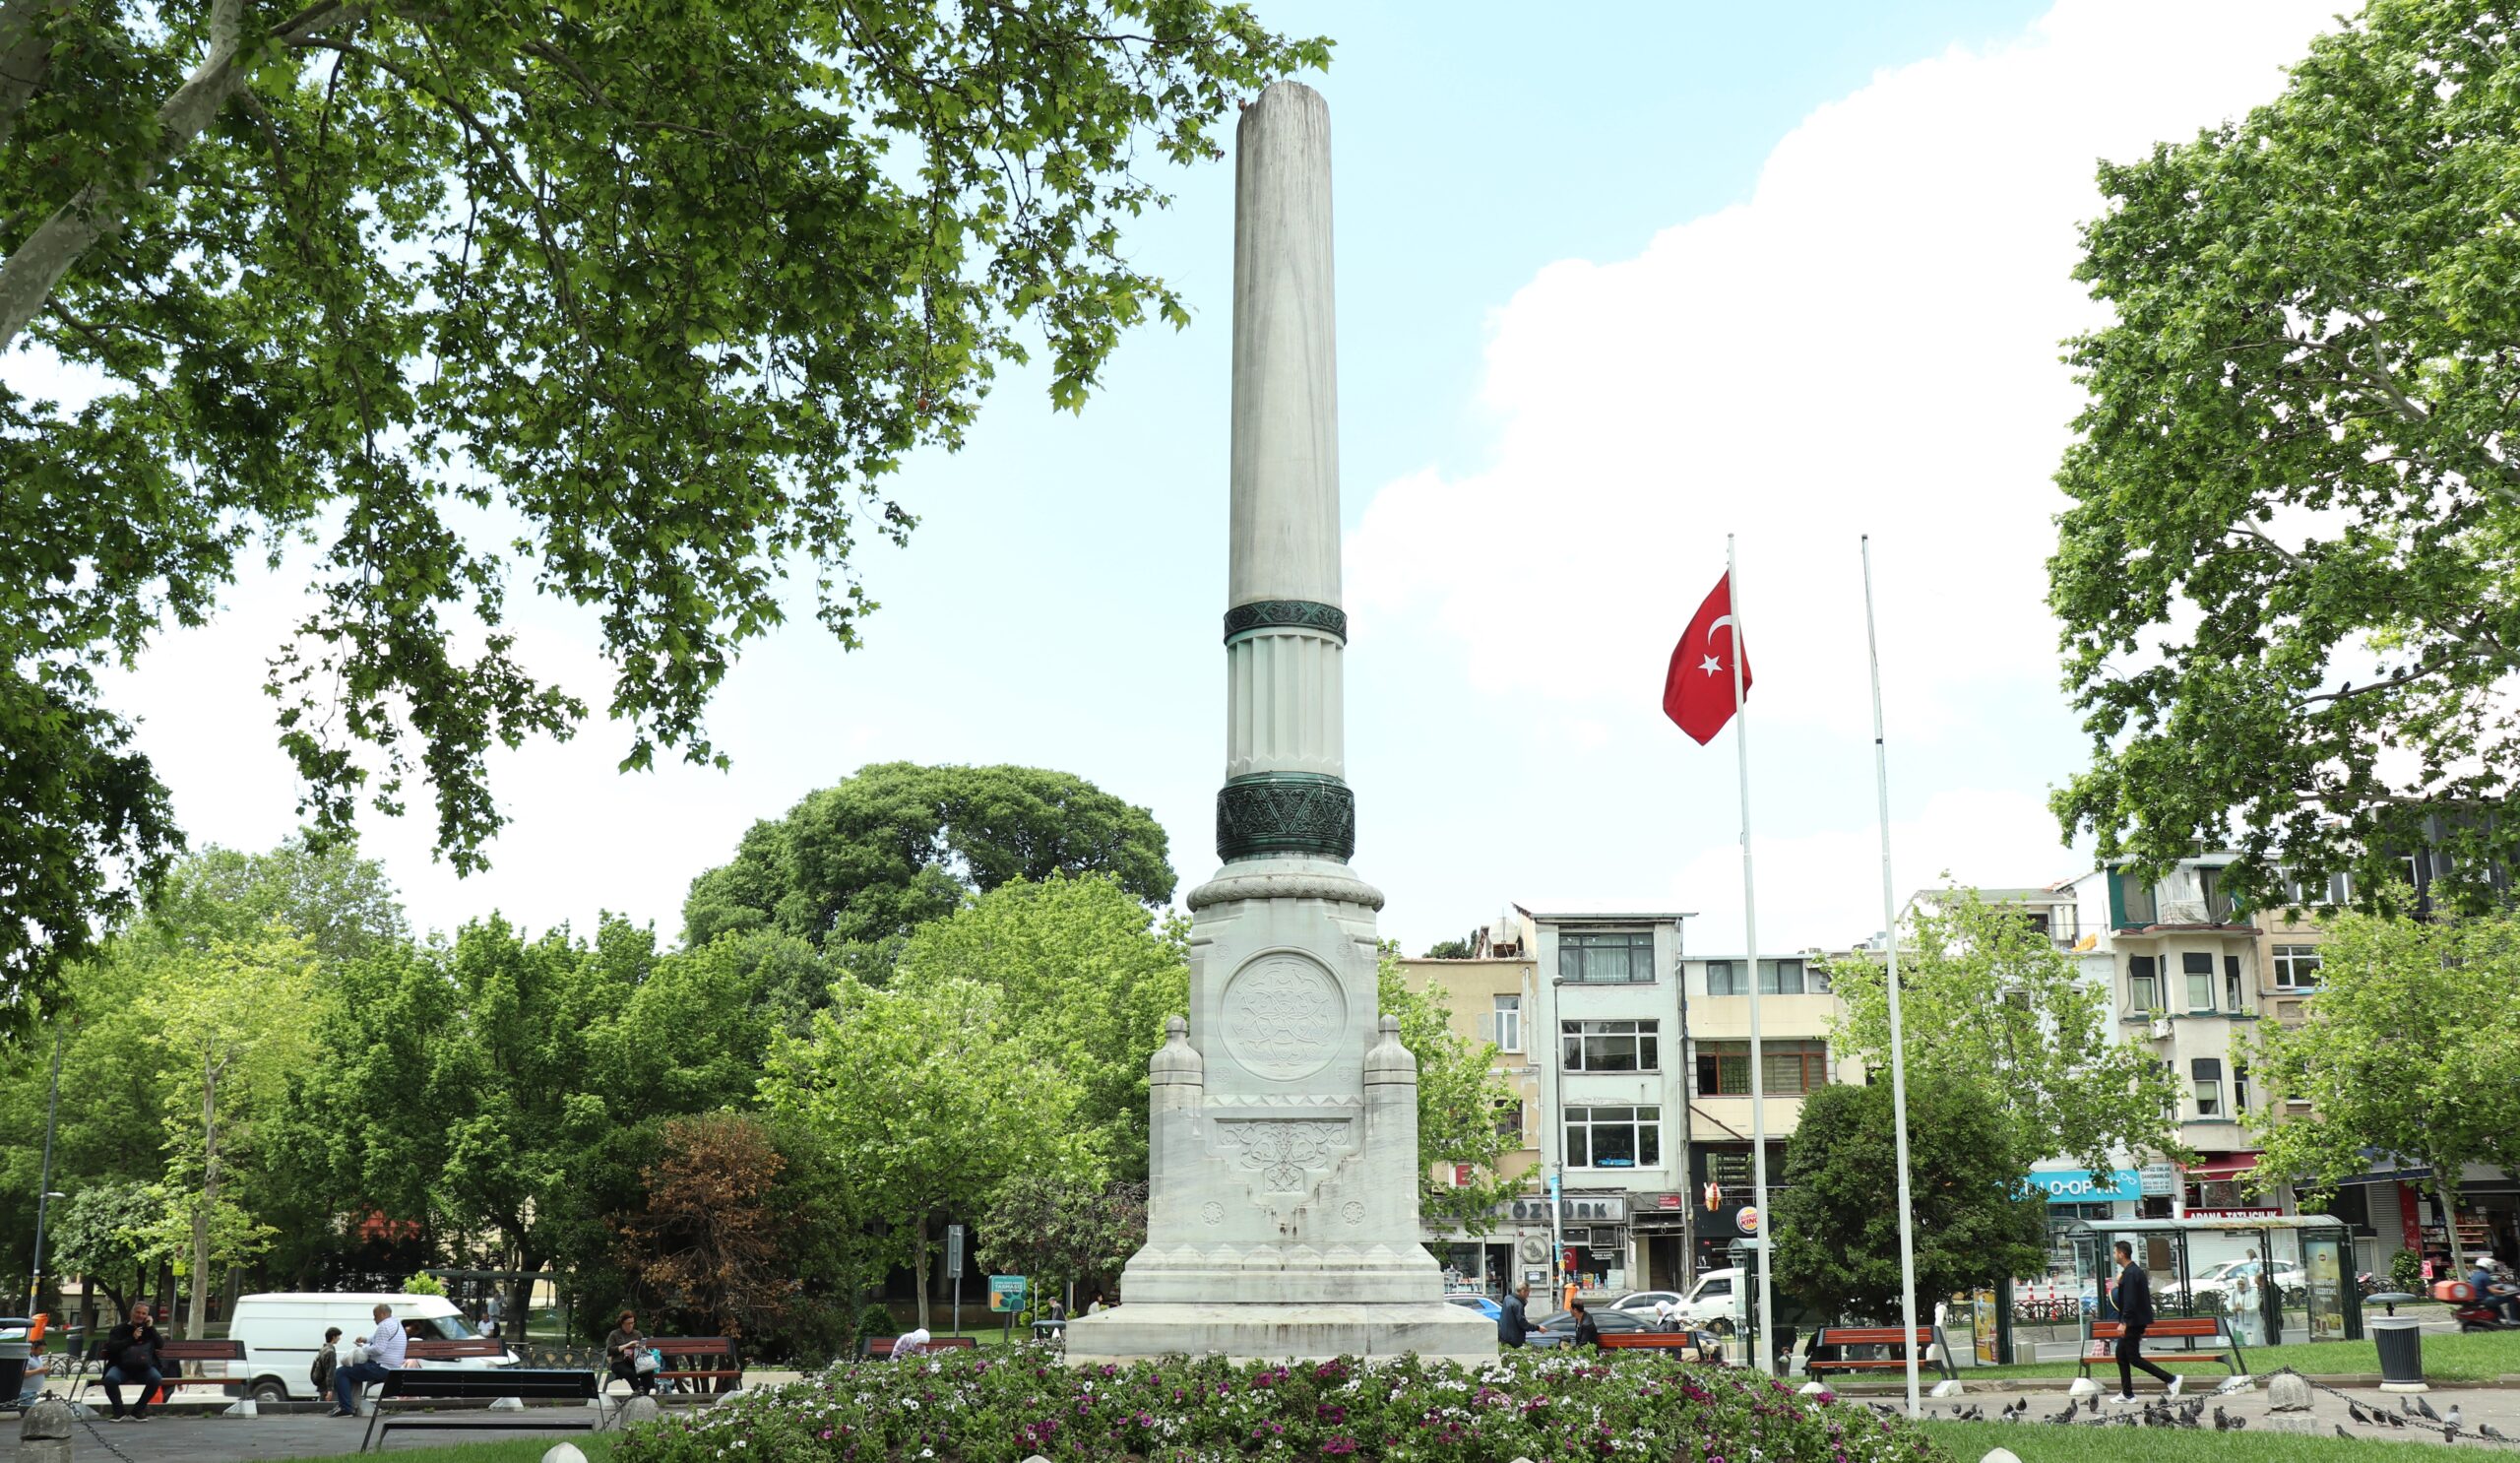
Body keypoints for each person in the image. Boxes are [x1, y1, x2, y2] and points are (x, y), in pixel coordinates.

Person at [2110, 1240, 2180, 1402]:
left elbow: (2130, 1300)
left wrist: (2124, 1322)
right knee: (2121, 1354)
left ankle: (2171, 1379)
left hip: (2133, 1322)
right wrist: (2120, 1284)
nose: (2114, 1256)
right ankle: (2127, 1393)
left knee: (2133, 1358)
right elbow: (2128, 1296)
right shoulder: (2132, 1273)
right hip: (2134, 1320)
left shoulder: (2131, 1273)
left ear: (2121, 1254)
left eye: (2115, 1253)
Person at [332, 1303, 407, 1417]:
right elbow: (379, 1337)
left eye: (375, 1315)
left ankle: (346, 1408)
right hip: (393, 1368)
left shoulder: (384, 1325)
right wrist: (366, 1339)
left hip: (381, 1368)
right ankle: (352, 1405)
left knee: (341, 1372)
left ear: (383, 1314)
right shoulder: (395, 1323)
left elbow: (379, 1349)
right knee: (353, 1371)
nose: (374, 1319)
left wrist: (363, 1348)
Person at [98, 1303, 163, 1423]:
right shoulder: (119, 1330)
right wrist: (132, 1338)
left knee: (156, 1378)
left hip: (144, 1368)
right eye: (138, 1312)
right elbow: (112, 1347)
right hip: (121, 1367)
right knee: (110, 1379)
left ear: (147, 1316)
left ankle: (138, 1410)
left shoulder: (149, 1330)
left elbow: (160, 1345)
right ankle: (119, 1410)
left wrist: (151, 1328)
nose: (140, 1316)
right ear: (132, 1313)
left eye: (144, 1314)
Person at [603, 1310, 656, 1397]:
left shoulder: (638, 1334)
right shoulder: (614, 1334)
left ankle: (644, 1396)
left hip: (635, 1362)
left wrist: (642, 1347)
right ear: (622, 1323)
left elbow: (643, 1349)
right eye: (628, 1323)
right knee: (629, 1372)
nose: (630, 1325)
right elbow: (610, 1350)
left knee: (648, 1371)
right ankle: (639, 1390)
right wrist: (628, 1345)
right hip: (619, 1362)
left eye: (632, 1323)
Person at [2468, 1255, 2520, 1323]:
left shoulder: (2475, 1275)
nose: (2493, 1267)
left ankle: (2501, 1319)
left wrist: (2500, 1287)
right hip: (2486, 1299)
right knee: (2512, 1298)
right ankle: (2514, 1320)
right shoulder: (2485, 1276)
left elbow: (2487, 1287)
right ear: (2487, 1266)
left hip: (2478, 1299)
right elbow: (2493, 1291)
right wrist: (2507, 1292)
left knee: (2496, 1299)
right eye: (2492, 1265)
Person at [310, 1326, 343, 1398]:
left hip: (321, 1386)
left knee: (322, 1407)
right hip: (326, 1388)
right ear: (333, 1337)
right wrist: (330, 1390)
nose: (339, 1338)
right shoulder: (331, 1352)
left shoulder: (323, 1349)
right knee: (330, 1407)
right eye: (338, 1336)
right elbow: (330, 1372)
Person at [1497, 1283, 1531, 1348]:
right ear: (1523, 1291)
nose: (1528, 1295)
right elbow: (1522, 1322)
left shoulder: (1507, 1298)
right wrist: (1537, 1328)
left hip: (1503, 1336)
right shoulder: (1518, 1304)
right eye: (1528, 1292)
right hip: (1514, 1340)